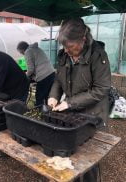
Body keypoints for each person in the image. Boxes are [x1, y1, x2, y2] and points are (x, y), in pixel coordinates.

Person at [48, 18, 111, 182]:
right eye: (64, 46)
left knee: (89, 158)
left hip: (93, 114)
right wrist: (53, 96)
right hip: (73, 112)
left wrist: (69, 103)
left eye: (70, 46)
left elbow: (101, 89)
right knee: (72, 151)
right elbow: (58, 80)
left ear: (83, 39)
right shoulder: (64, 55)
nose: (66, 50)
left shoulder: (98, 55)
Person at [17, 41, 55, 106]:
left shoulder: (28, 52)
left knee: (38, 97)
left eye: (21, 52)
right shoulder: (37, 49)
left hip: (43, 76)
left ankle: (38, 113)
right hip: (51, 73)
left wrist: (25, 76)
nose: (22, 54)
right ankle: (48, 112)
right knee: (48, 96)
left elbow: (30, 70)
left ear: (22, 50)